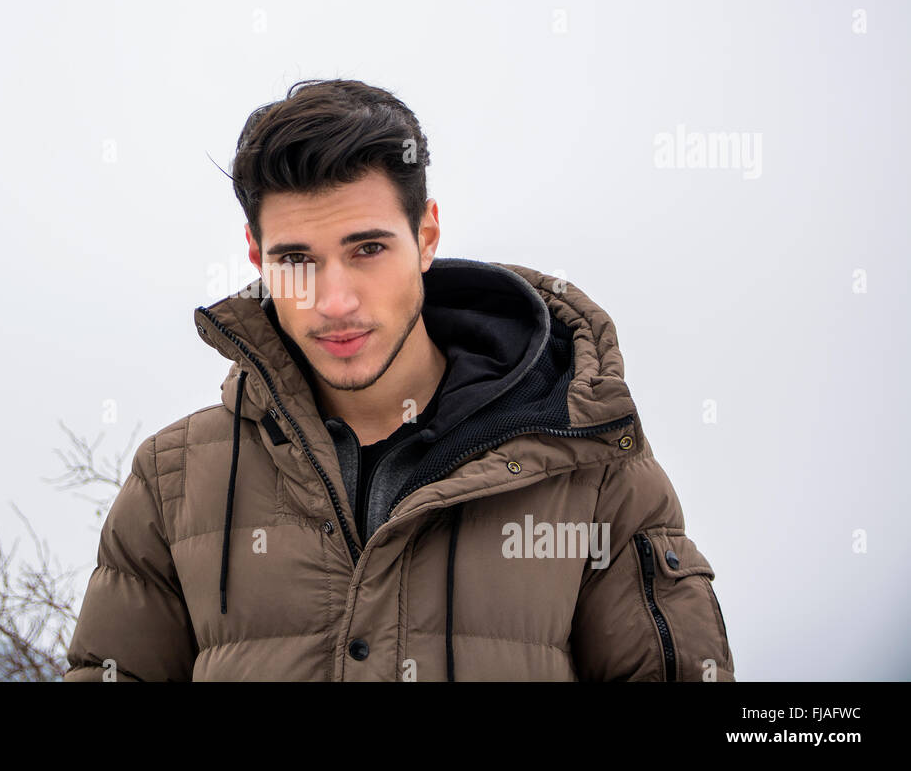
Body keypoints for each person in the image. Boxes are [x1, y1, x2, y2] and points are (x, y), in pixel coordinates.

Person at [63, 79, 735, 681]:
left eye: (368, 249)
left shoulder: (593, 474)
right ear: (254, 256)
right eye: (296, 260)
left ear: (428, 234)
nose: (335, 301)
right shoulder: (173, 482)